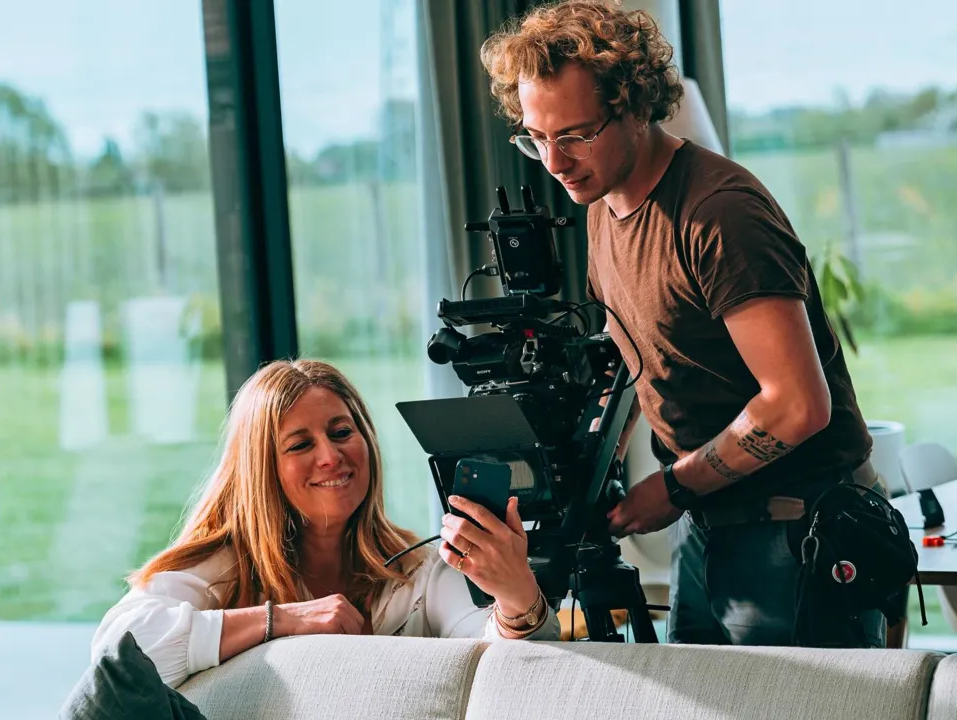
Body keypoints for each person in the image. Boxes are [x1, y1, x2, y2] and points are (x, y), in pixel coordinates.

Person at [480, 0, 885, 647]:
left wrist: (672, 487)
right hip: (708, 522)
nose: (555, 162)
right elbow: (632, 361)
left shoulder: (719, 214)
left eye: (576, 135)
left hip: (796, 525)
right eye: (537, 138)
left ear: (636, 105)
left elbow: (798, 405)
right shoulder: (602, 208)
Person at [92, 359, 558, 688]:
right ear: (262, 469)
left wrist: (516, 597)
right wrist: (284, 620)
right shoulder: (222, 565)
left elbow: (501, 666)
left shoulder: (417, 570)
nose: (331, 456)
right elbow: (119, 652)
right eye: (300, 445)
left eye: (341, 433)